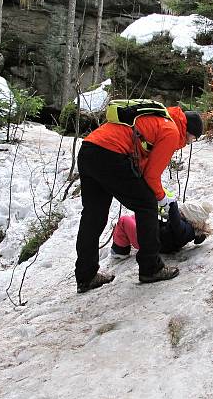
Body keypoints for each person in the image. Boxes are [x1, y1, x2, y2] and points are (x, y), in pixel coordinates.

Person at [75, 105, 204, 293]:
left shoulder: (159, 120)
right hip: (111, 154)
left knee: (93, 216)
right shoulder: (171, 131)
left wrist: (156, 191)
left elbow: (142, 166)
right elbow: (151, 176)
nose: (188, 143)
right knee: (147, 206)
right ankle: (151, 268)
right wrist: (162, 199)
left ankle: (86, 276)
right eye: (192, 139)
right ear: (188, 131)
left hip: (89, 149)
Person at [110, 200, 213, 258]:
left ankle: (120, 251)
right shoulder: (190, 230)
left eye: (180, 212)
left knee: (124, 220)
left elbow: (176, 221)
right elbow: (173, 223)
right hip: (158, 239)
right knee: (135, 218)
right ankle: (124, 240)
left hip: (148, 241)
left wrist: (172, 204)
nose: (178, 213)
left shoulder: (183, 229)